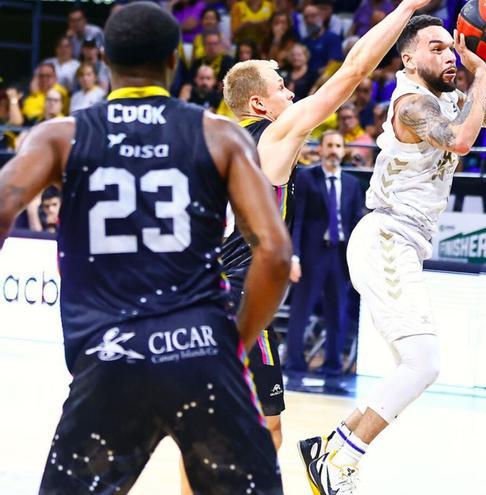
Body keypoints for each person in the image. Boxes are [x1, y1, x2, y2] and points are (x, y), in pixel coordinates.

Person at [0, 2, 291, 493]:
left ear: (104, 59)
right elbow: (276, 255)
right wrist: (233, 345)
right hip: (199, 352)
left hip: (110, 359)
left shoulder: (60, 136)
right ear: (174, 60)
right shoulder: (219, 134)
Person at [299, 13, 486, 495]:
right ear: (408, 59)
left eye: (451, 48)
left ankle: (328, 447)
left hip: (404, 242)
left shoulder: (448, 98)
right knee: (423, 362)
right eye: (436, 48)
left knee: (411, 365)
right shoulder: (411, 104)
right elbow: (463, 140)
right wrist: (485, 76)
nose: (449, 55)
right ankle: (341, 460)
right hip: (386, 236)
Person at [215, 1, 434, 492]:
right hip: (234, 301)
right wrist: (407, 8)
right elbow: (354, 70)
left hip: (231, 296)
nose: (292, 93)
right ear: (259, 106)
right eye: (282, 88)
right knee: (248, 429)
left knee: (262, 426)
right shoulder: (273, 136)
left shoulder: (227, 141)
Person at [286, 131, 365, 376]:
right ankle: (294, 363)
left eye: (338, 146)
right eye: (329, 145)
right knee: (301, 310)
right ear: (320, 149)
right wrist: (294, 257)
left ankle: (332, 364)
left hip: (340, 257)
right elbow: (297, 221)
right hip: (312, 255)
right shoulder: (307, 178)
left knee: (337, 312)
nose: (333, 150)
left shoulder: (352, 184)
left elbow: (356, 224)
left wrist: (359, 261)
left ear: (343, 151)